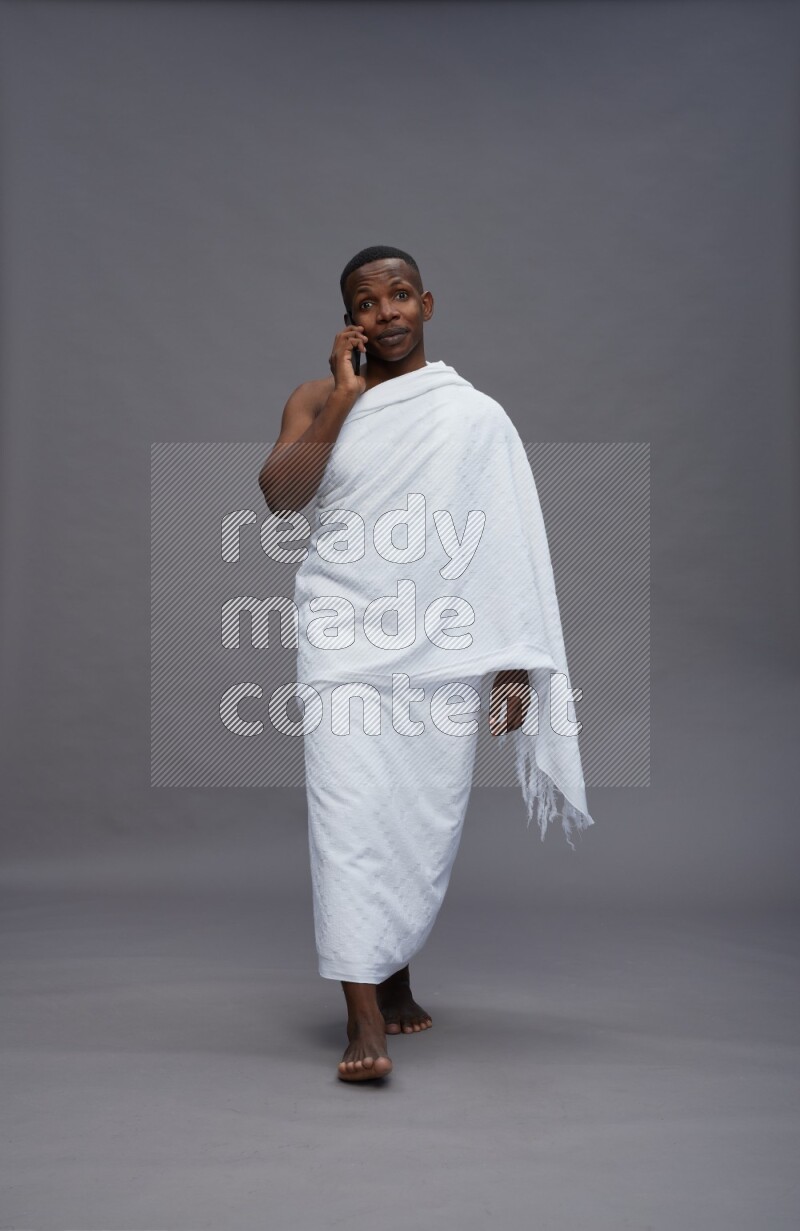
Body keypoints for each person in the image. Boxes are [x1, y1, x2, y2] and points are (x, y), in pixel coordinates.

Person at [259, 245, 592, 1082]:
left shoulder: (474, 415)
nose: (387, 313)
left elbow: (506, 542)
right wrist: (340, 400)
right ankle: (361, 1014)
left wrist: (513, 664)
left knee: (415, 814)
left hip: (437, 642)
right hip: (342, 633)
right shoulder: (315, 397)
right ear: (348, 320)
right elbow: (282, 494)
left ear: (428, 304)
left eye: (400, 295)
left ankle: (396, 973)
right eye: (367, 303)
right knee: (347, 812)